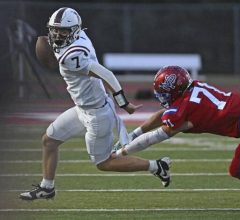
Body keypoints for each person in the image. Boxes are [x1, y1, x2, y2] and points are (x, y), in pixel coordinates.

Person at [19, 7, 171, 201]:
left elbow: (106, 74)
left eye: (63, 31)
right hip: (83, 108)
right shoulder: (79, 36)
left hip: (96, 114)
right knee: (49, 141)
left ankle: (157, 166)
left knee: (104, 163)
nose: (57, 34)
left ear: (74, 30)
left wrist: (124, 103)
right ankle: (47, 188)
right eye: (55, 29)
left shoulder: (73, 57)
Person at [113, 65, 240, 208]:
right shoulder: (193, 87)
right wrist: (134, 133)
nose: (161, 97)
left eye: (164, 93)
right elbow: (164, 114)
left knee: (239, 170)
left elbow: (156, 136)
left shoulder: (181, 109)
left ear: (174, 91)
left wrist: (123, 152)